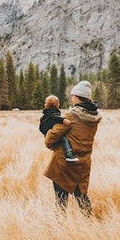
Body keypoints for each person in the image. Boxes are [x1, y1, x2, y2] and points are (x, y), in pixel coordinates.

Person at [43, 80, 102, 216]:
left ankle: (61, 230)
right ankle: (90, 228)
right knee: (82, 199)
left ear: (78, 97)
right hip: (83, 164)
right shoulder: (94, 117)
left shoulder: (71, 116)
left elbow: (50, 139)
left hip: (64, 165)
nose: (71, 98)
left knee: (61, 202)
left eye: (73, 96)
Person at [39, 95, 79, 162]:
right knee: (64, 139)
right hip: (51, 134)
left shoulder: (44, 116)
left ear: (46, 105)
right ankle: (69, 154)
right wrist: (63, 120)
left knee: (58, 144)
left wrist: (45, 133)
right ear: (57, 105)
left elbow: (41, 127)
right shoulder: (53, 113)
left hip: (47, 135)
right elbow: (55, 117)